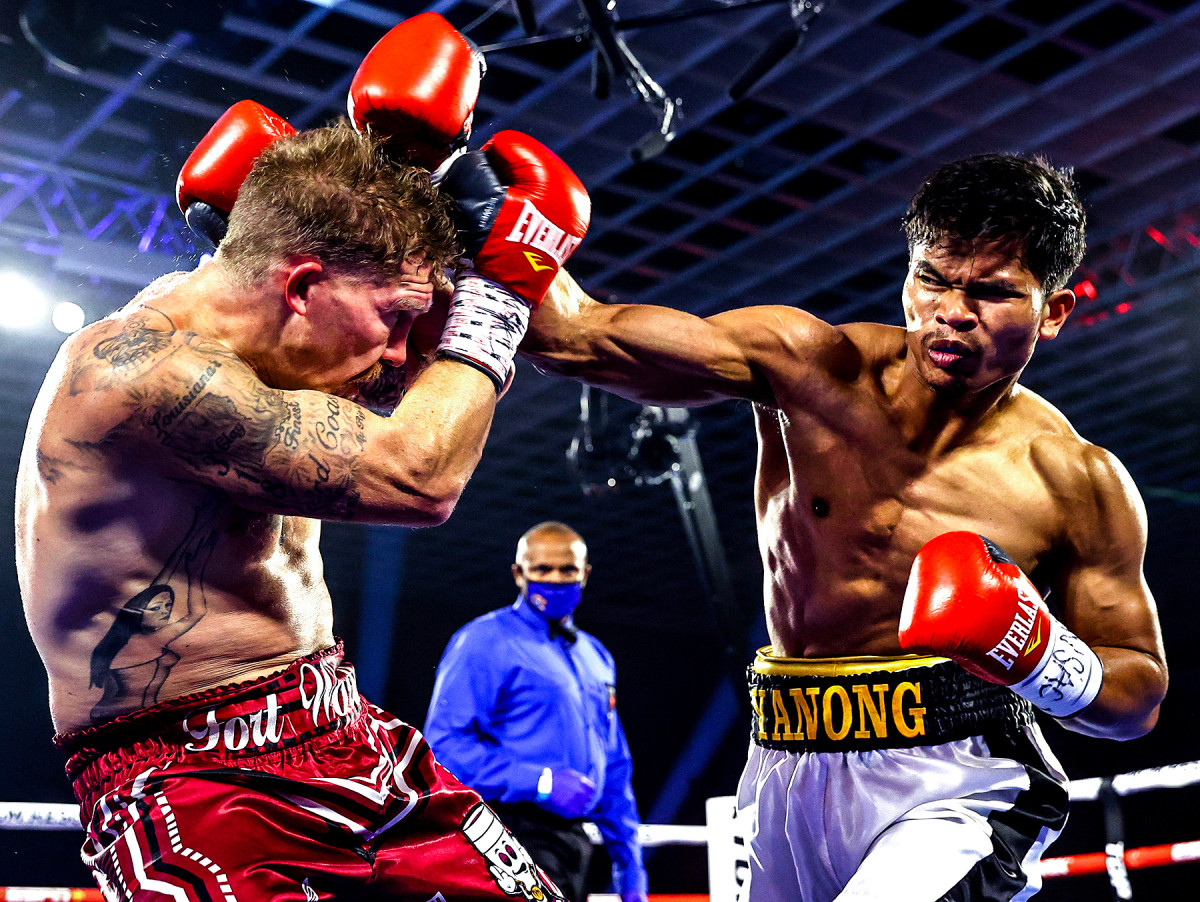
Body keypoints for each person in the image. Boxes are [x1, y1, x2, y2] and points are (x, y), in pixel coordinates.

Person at [15, 14, 589, 900]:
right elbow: (416, 475)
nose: (404, 355)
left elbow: (468, 371)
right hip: (190, 781)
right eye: (394, 320)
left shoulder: (286, 339)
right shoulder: (142, 373)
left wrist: (422, 185)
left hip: (343, 726)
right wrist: (502, 292)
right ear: (302, 285)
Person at [515, 153, 1168, 900]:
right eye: (933, 279)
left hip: (955, 776)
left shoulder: (1075, 480)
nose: (951, 313)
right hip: (784, 760)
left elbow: (1137, 697)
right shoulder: (812, 369)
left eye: (991, 292)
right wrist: (477, 216)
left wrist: (1040, 653)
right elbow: (575, 337)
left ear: (1052, 311)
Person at [424, 522, 649, 902]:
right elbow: (443, 746)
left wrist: (630, 864)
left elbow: (613, 763)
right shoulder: (483, 641)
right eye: (543, 569)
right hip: (508, 833)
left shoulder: (596, 656)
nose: (556, 579)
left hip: (576, 843)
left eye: (567, 569)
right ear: (519, 573)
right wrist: (540, 781)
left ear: (585, 573)